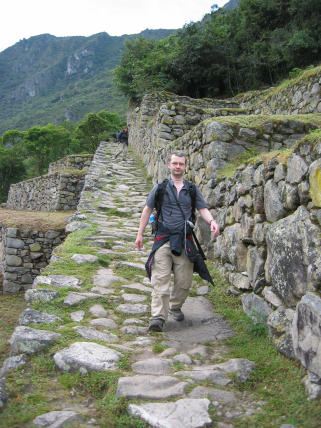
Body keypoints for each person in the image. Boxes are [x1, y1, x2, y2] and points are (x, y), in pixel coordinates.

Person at [135, 151, 220, 332]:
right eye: (175, 163)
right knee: (160, 279)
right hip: (163, 239)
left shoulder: (191, 189)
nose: (178, 167)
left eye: (181, 164)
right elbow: (147, 210)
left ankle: (175, 306)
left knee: (184, 281)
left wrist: (212, 221)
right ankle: (158, 317)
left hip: (184, 240)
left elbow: (202, 209)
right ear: (169, 165)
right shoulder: (160, 188)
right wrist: (139, 234)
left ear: (185, 166)